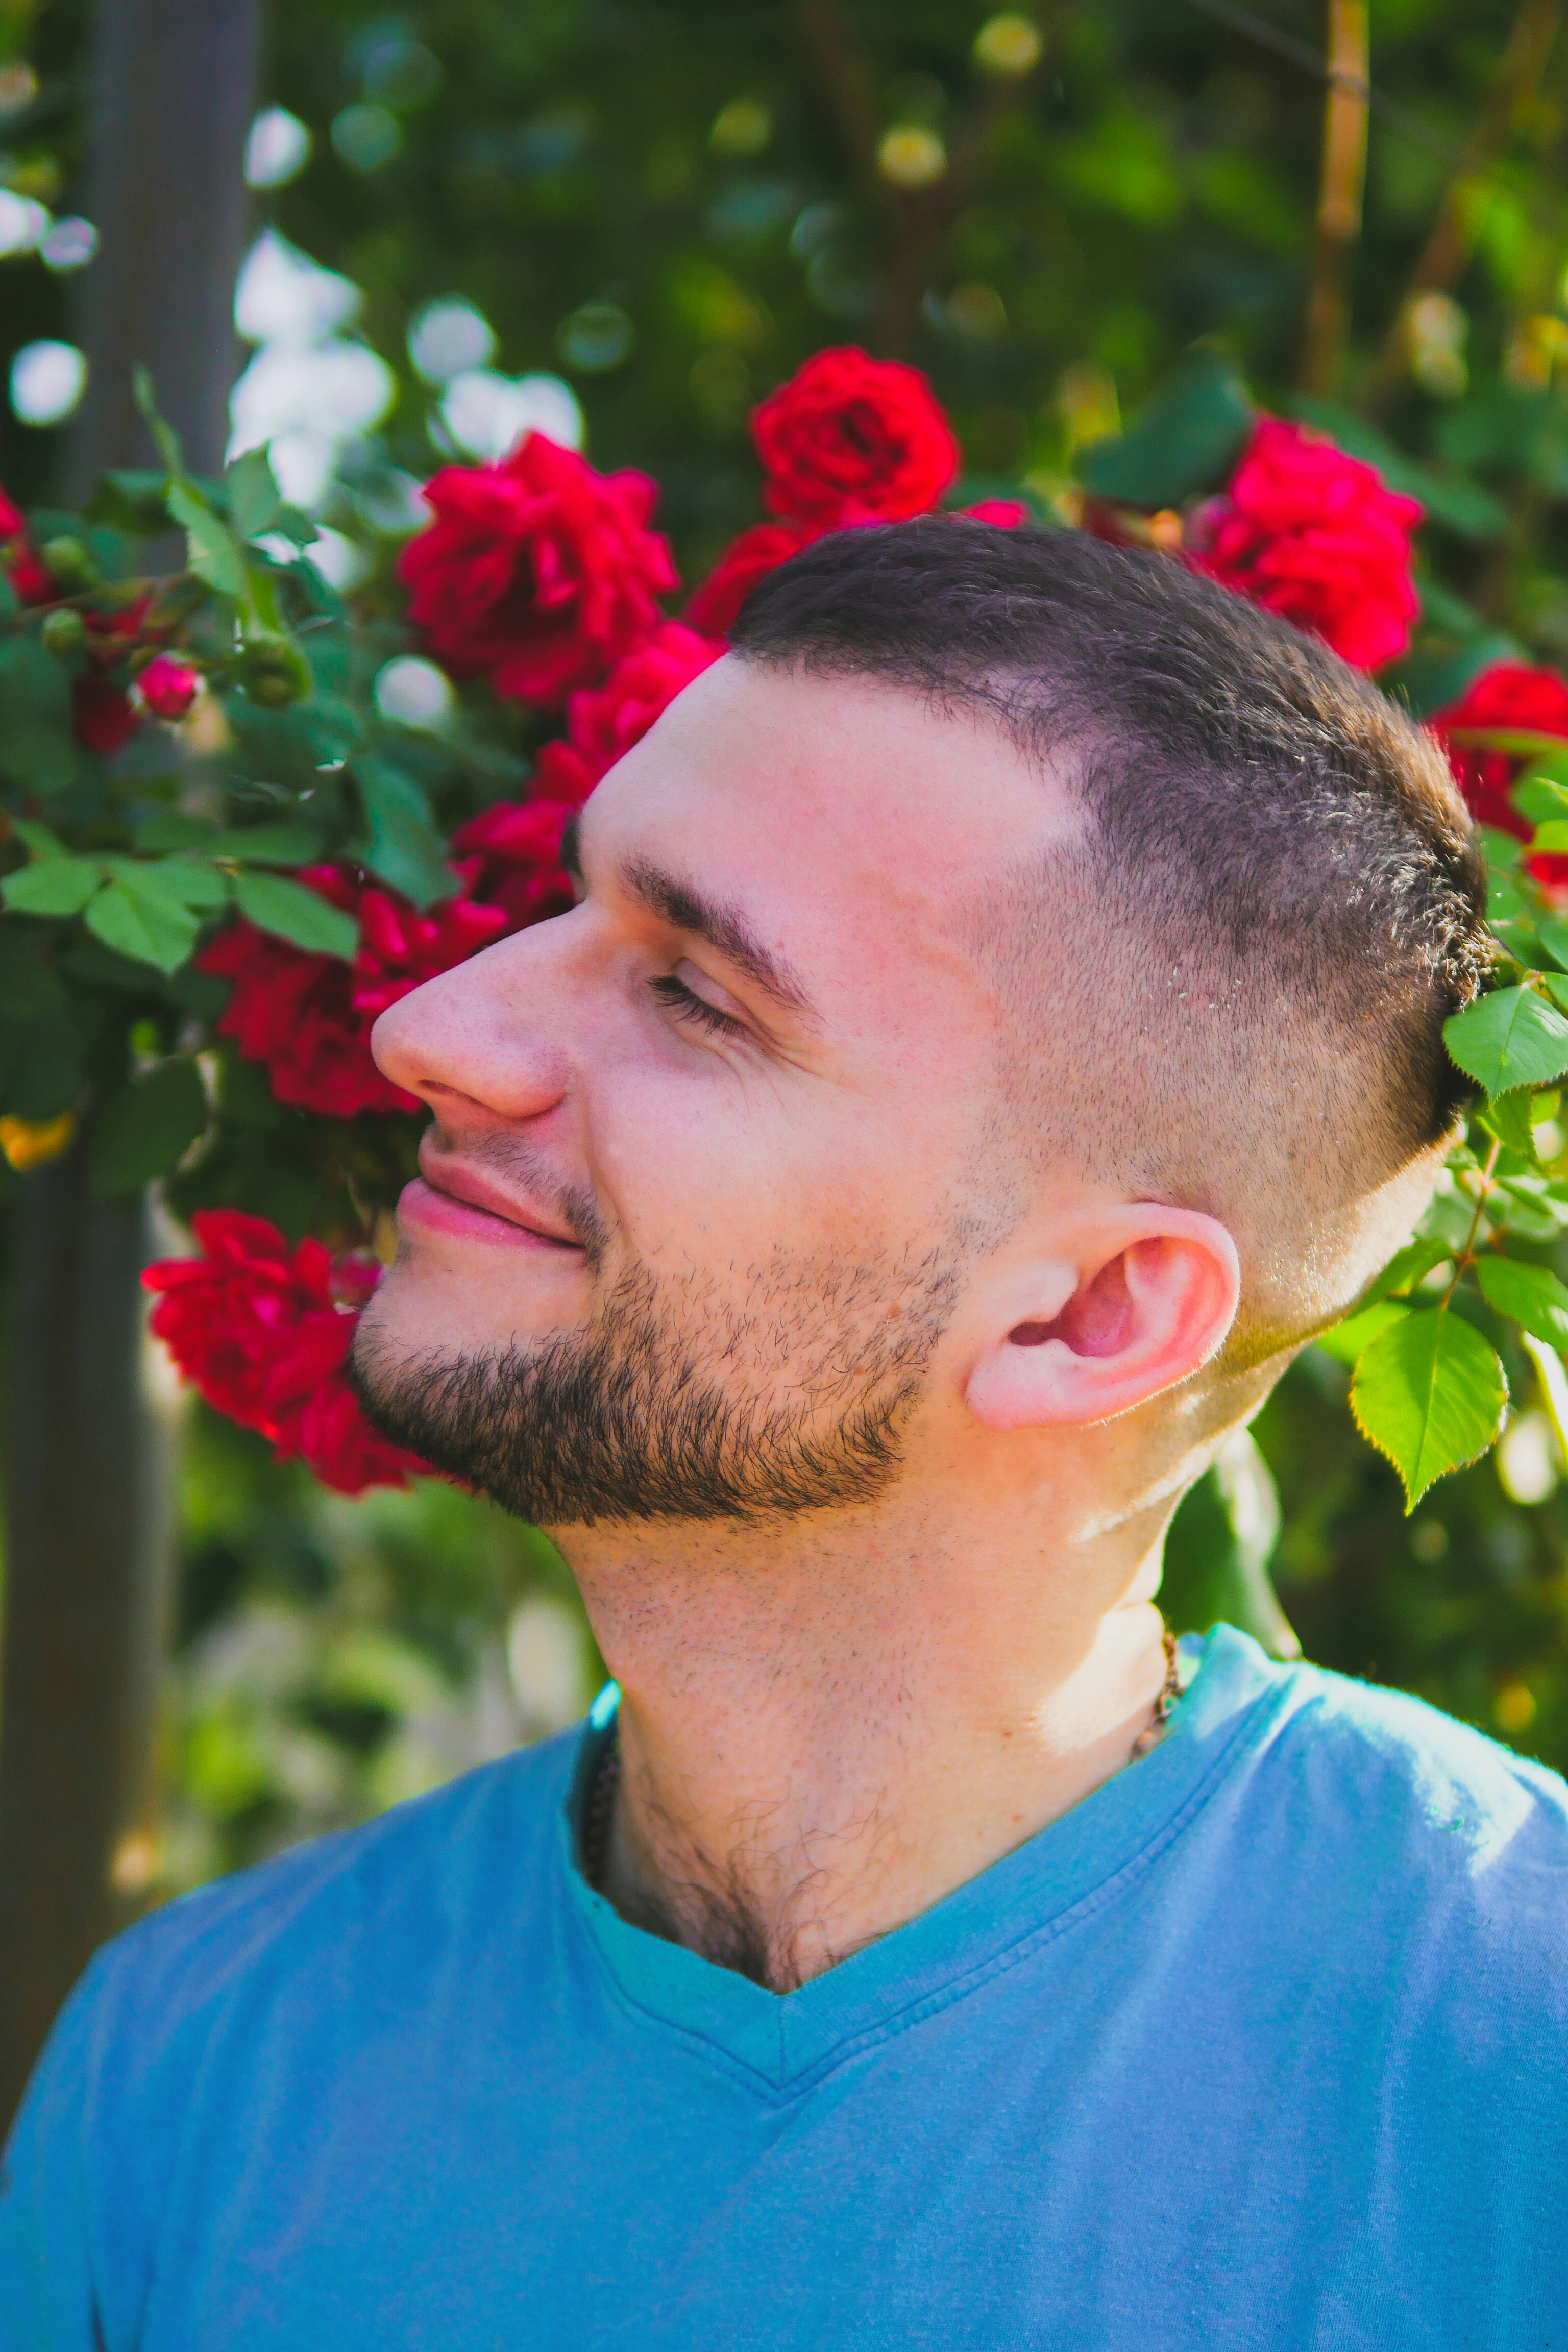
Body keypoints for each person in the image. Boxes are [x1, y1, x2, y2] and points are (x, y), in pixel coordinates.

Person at [3, 519, 1564, 2349]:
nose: (433, 1027)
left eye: (692, 992)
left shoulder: (1511, 2073)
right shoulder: (193, 2071)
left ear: (1089, 1318)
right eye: (572, 907)